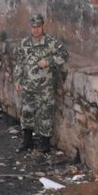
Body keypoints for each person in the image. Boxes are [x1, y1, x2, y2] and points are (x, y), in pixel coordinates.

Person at [14, 13, 69, 153]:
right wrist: (17, 80)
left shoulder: (51, 42)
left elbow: (64, 55)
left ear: (43, 26)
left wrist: (49, 61)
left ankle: (45, 144)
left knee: (45, 113)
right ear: (30, 28)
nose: (36, 29)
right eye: (33, 27)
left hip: (45, 87)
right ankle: (27, 141)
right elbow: (19, 62)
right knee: (26, 112)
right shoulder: (25, 43)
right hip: (28, 86)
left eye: (38, 26)